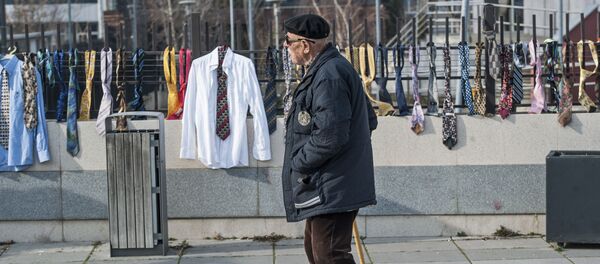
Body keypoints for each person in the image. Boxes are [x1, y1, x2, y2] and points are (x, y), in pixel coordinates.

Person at [281, 14, 377, 264]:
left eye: (288, 41)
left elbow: (330, 136)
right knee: (317, 250)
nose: (285, 46)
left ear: (305, 45)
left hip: (333, 184)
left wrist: (298, 162)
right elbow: (369, 119)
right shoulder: (327, 69)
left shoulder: (329, 75)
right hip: (328, 182)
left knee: (329, 255)